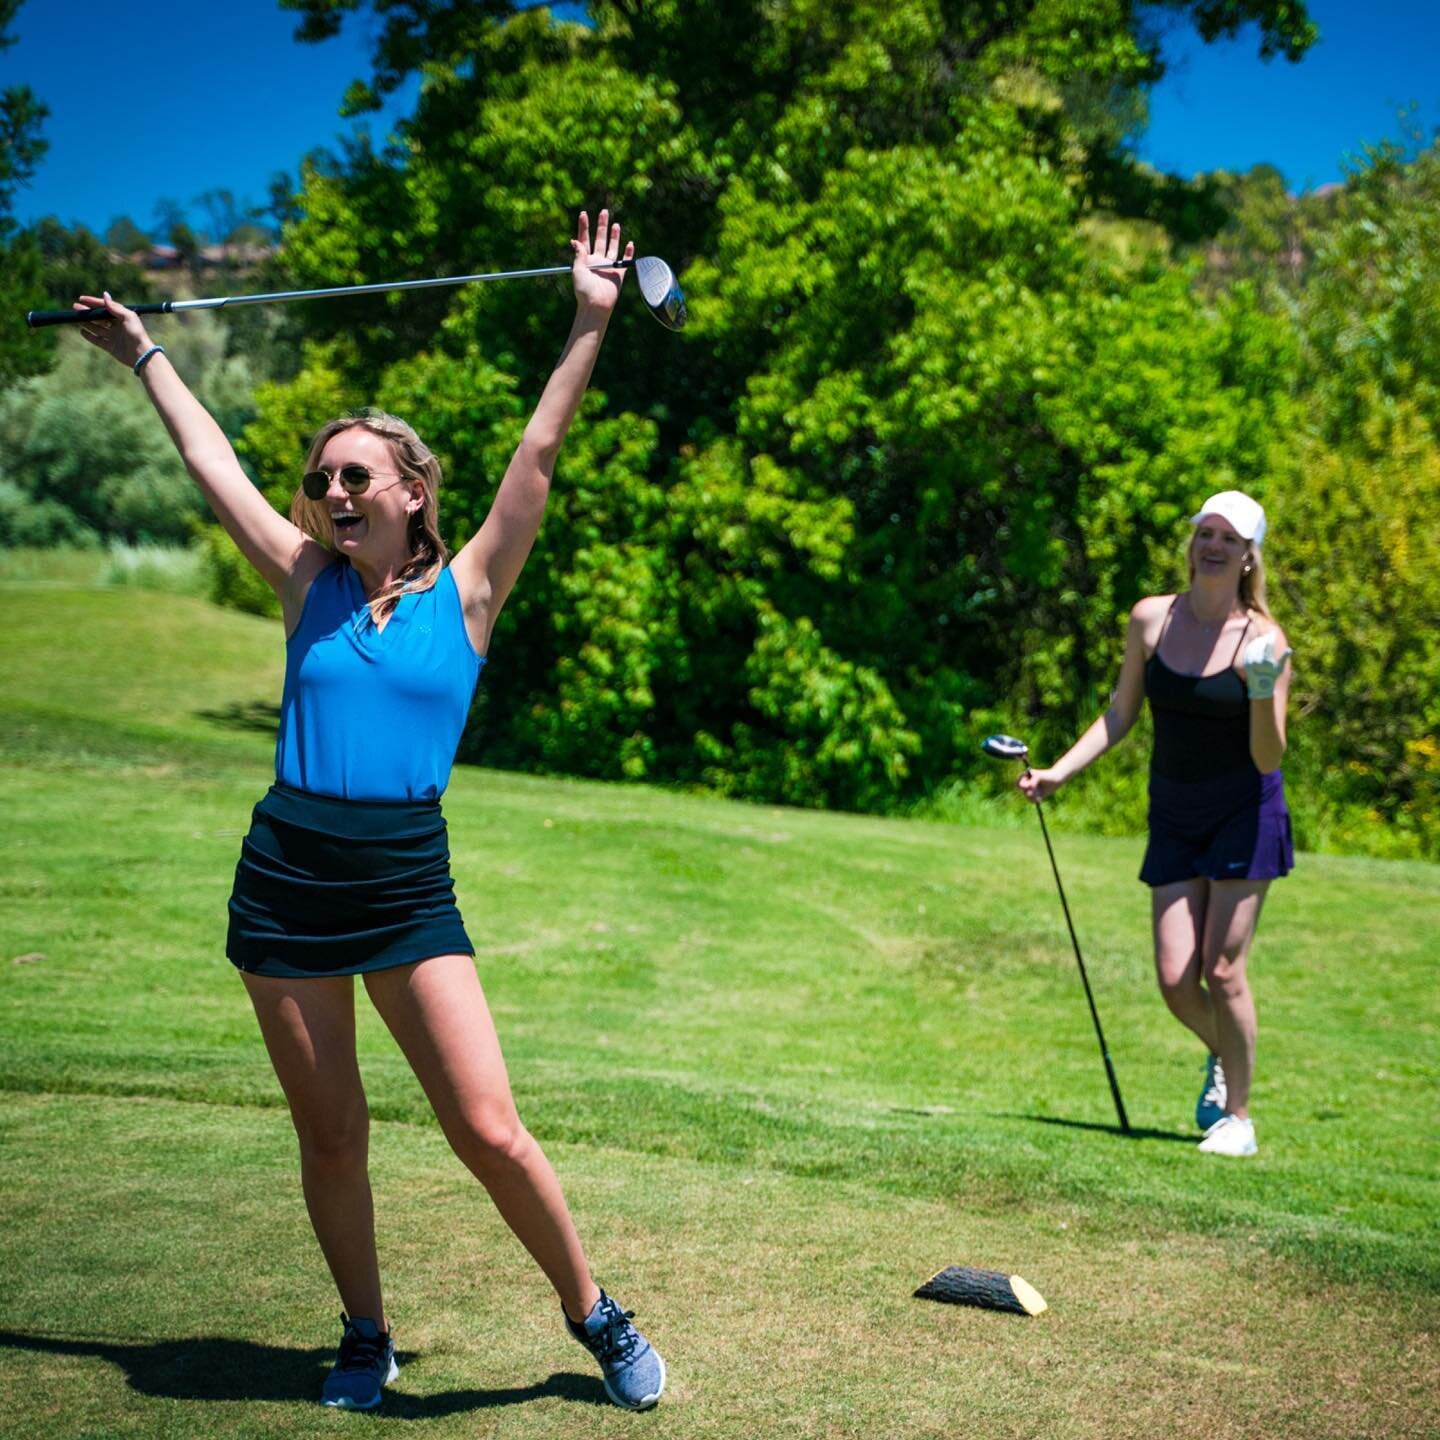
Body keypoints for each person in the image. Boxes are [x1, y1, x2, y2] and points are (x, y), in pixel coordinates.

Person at [75, 210, 666, 1410]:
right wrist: (145, 351)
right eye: (320, 478)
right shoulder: (304, 582)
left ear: (410, 489)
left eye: (354, 475)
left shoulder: (471, 589)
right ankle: (362, 1331)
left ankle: (595, 1315)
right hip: (288, 869)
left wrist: (589, 321)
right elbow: (208, 462)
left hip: (404, 877)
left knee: (486, 1127)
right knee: (332, 1132)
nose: (330, 491)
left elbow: (540, 455)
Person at [1018, 491, 1293, 1158]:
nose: (1214, 546)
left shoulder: (1265, 641)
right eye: (1206, 533)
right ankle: (1224, 1054)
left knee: (1222, 970)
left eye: (1229, 538)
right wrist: (1059, 772)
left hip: (1243, 812)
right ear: (1193, 541)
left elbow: (1268, 755)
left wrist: (1261, 689)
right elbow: (1121, 713)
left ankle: (1241, 1119)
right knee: (1176, 979)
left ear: (1249, 556)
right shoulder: (1151, 620)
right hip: (1174, 809)